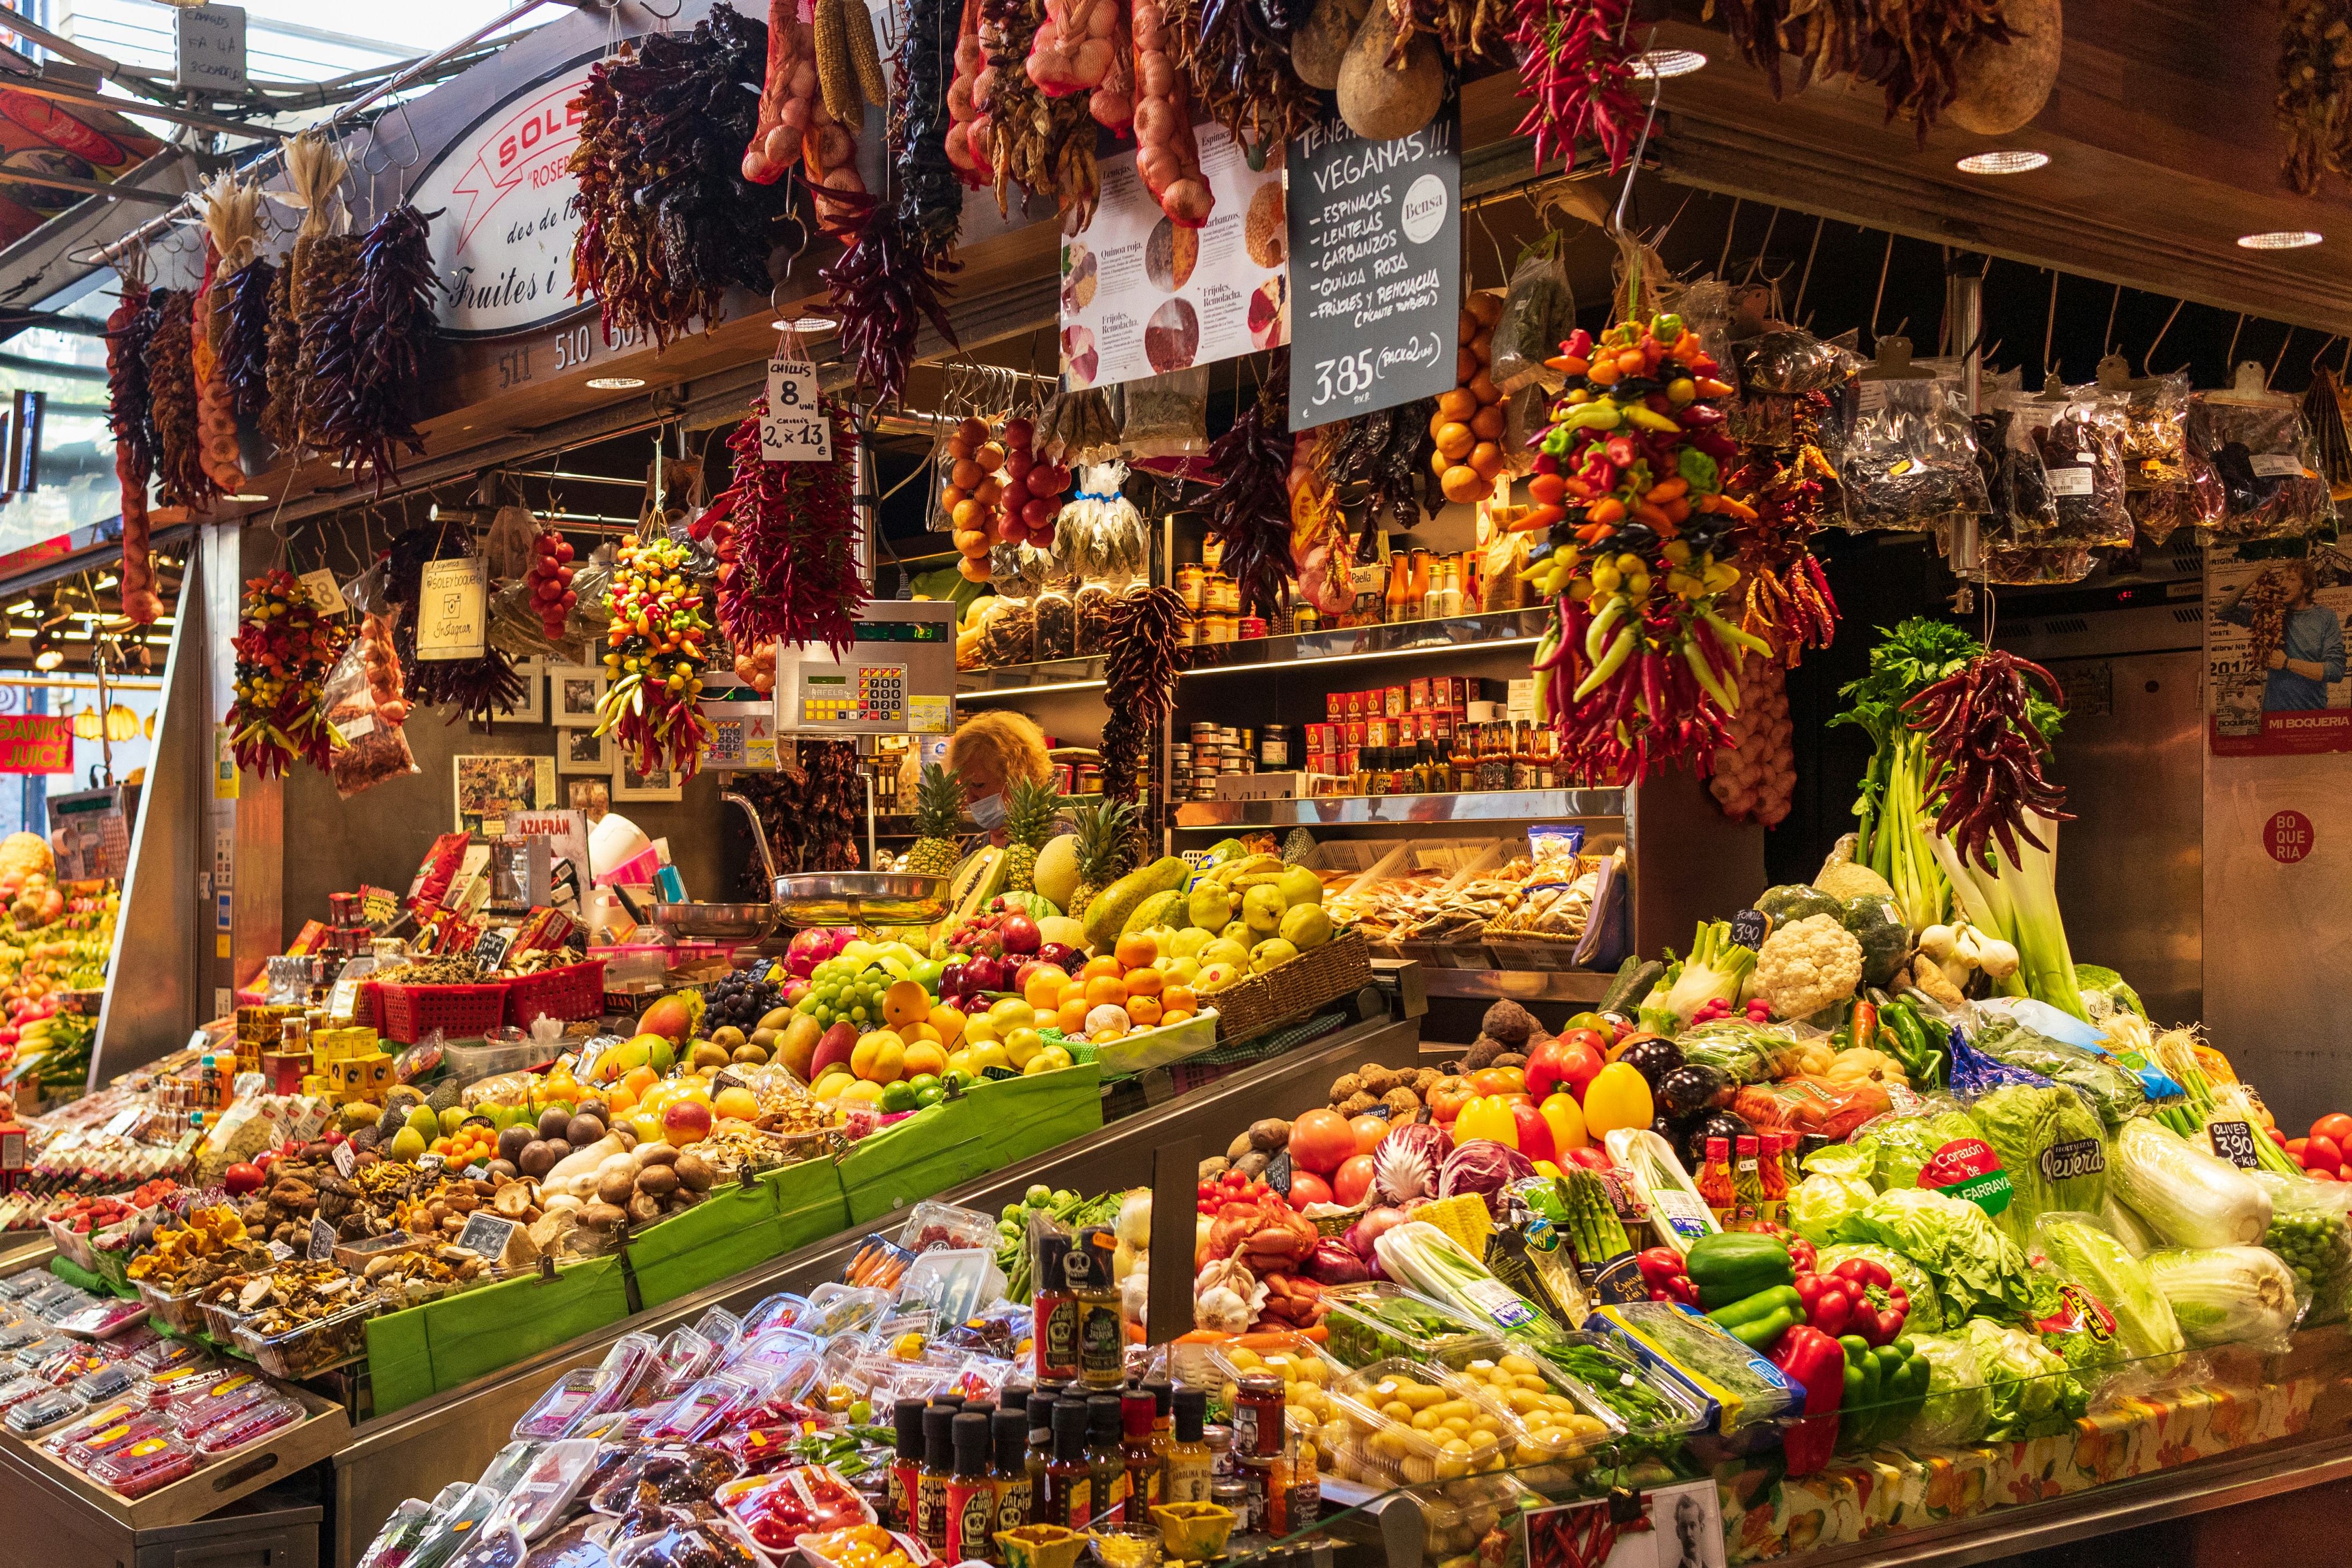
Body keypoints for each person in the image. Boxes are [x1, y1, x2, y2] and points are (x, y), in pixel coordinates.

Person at [2219, 561, 2346, 710]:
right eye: (2282, 579)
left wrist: (2288, 663)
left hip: (2312, 714)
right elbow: (2224, 612)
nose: (2283, 585)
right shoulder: (2269, 612)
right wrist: (2253, 577)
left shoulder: (2326, 617)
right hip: (2274, 715)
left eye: (2291, 580)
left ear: (2306, 588)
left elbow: (2336, 671)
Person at [946, 710, 1052, 846]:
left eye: (979, 785)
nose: (969, 799)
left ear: (1018, 779)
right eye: (965, 787)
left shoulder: (1056, 841)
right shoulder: (976, 846)